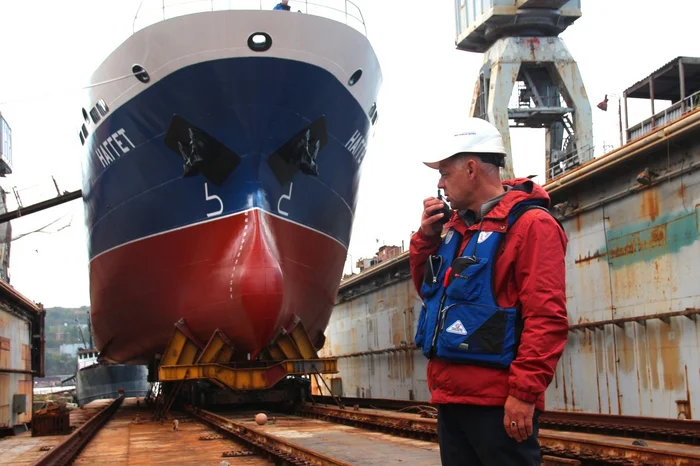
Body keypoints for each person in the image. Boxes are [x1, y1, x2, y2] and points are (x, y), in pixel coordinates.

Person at [410, 117, 569, 465]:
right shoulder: (454, 229)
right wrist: (425, 239)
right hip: (451, 399)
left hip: (497, 403)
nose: (439, 184)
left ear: (470, 169)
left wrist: (524, 394)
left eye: (445, 173)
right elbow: (431, 292)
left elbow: (546, 317)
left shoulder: (532, 226)